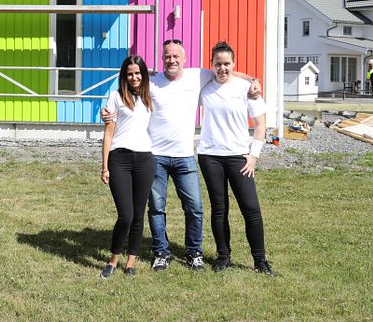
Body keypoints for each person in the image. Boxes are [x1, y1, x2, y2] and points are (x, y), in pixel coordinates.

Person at [102, 39, 260, 272]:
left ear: (184, 59)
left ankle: (194, 252)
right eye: (167, 56)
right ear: (162, 59)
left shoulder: (197, 76)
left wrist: (253, 80)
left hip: (185, 156)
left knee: (195, 207)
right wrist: (105, 113)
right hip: (155, 156)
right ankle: (161, 252)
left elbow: (226, 70)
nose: (172, 60)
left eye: (176, 56)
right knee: (156, 208)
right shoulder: (150, 82)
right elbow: (124, 95)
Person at [197, 41, 276, 276]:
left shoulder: (246, 88)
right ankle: (223, 256)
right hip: (210, 156)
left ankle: (260, 260)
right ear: (211, 65)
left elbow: (260, 124)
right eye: (218, 64)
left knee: (251, 209)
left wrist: (254, 155)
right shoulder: (204, 87)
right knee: (219, 208)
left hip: (239, 157)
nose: (222, 68)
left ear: (234, 64)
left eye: (227, 63)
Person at [99, 56, 155, 279]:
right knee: (126, 215)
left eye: (138, 73)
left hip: (144, 160)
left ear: (144, 74)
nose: (134, 77)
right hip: (119, 159)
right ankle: (113, 260)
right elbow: (109, 133)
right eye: (130, 73)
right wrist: (104, 166)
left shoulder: (149, 97)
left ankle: (131, 262)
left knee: (138, 215)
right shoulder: (115, 97)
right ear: (124, 75)